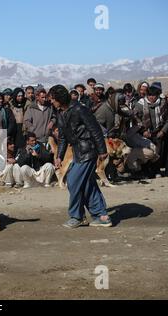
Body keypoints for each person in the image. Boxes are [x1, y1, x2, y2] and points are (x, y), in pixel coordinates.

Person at [50, 84, 112, 228]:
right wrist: (59, 156)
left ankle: (77, 216)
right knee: (87, 183)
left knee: (73, 181)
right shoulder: (61, 113)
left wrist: (102, 150)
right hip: (78, 152)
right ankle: (101, 215)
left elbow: (95, 129)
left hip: (88, 151)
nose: (51, 101)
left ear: (59, 98)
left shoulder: (79, 109)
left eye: (53, 99)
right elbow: (63, 138)